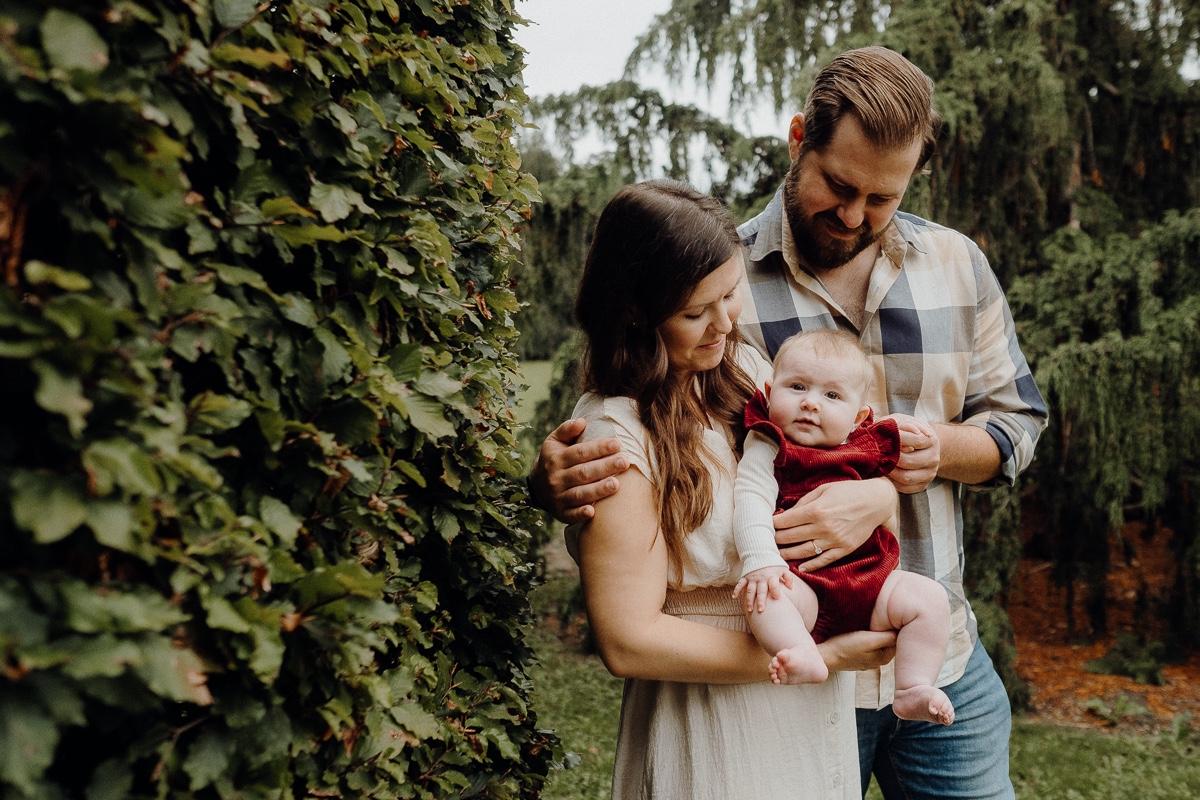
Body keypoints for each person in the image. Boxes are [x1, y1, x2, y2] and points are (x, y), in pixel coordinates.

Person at [531, 46, 1048, 799]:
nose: (854, 215)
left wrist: (919, 463)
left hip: (931, 651)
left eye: (882, 199)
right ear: (799, 135)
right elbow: (637, 414)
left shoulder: (956, 265)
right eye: (840, 186)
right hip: (786, 659)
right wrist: (552, 479)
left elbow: (1018, 424)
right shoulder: (717, 271)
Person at [564, 178, 900, 798]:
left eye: (730, 293)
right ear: (637, 311)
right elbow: (629, 641)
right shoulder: (616, 433)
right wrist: (824, 653)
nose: (725, 324)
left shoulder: (740, 369)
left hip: (799, 708)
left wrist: (878, 498)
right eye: (696, 312)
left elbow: (821, 459)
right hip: (710, 717)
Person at [732, 329, 954, 729]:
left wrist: (908, 427)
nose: (810, 403)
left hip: (872, 583)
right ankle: (800, 651)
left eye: (832, 396)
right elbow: (749, 496)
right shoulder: (769, 443)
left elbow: (895, 434)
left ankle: (912, 687)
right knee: (762, 598)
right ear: (768, 391)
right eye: (797, 386)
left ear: (857, 417)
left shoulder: (864, 441)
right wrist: (759, 561)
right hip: (803, 587)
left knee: (930, 598)